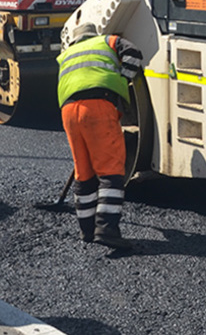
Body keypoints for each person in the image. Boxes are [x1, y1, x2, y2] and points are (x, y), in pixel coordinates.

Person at [56, 22, 144, 249]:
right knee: (111, 170)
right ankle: (106, 228)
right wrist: (122, 79)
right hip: (99, 105)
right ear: (94, 34)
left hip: (69, 111)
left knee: (84, 173)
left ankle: (87, 230)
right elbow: (134, 55)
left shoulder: (66, 55)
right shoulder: (108, 41)